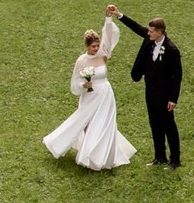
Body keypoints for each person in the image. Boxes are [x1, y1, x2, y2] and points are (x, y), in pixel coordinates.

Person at [42, 15, 138, 171]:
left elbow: (108, 37)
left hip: (105, 94)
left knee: (104, 123)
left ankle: (102, 157)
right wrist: (83, 84)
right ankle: (76, 148)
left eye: (97, 45)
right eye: (93, 46)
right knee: (86, 123)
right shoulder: (82, 60)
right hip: (89, 95)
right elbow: (75, 82)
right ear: (87, 46)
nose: (96, 48)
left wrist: (108, 19)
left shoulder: (103, 55)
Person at [107, 4, 182, 169]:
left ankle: (175, 159)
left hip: (165, 95)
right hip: (151, 91)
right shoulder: (150, 41)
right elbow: (137, 28)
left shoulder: (171, 50)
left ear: (160, 32)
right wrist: (119, 15)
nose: (148, 33)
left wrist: (173, 98)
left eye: (151, 31)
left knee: (168, 126)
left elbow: (177, 77)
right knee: (154, 124)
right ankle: (159, 156)